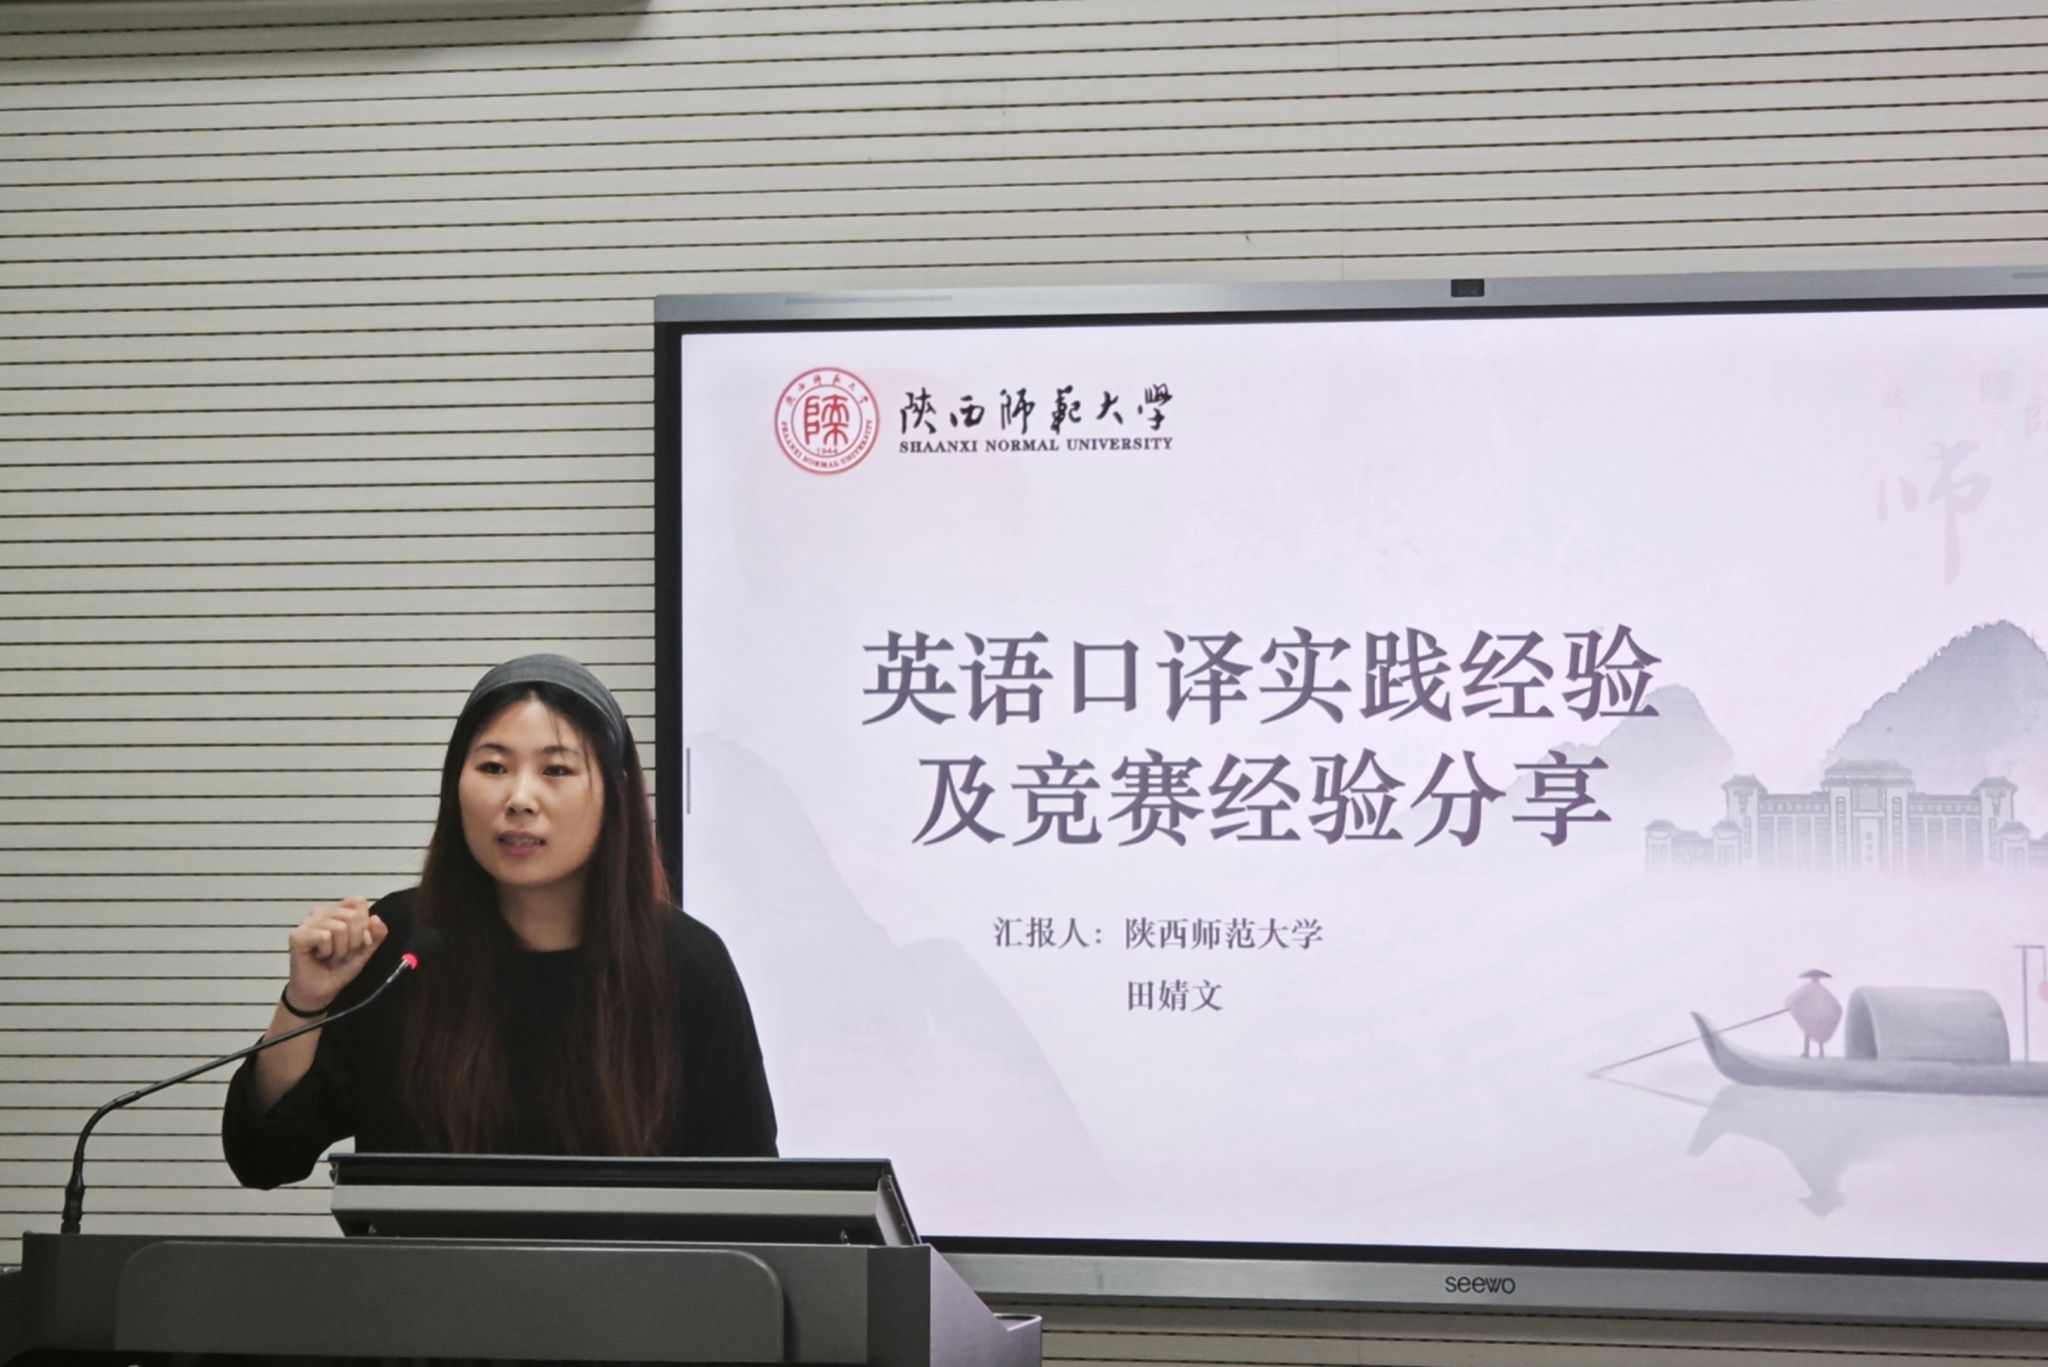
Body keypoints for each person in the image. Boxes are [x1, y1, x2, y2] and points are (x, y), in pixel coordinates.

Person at [221, 654, 776, 1187]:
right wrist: (305, 1002)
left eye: (556, 769)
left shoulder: (686, 964)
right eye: (493, 767)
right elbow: (264, 1158)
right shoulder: (401, 947)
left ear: (617, 792)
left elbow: (750, 1195)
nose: (519, 798)